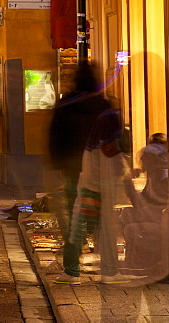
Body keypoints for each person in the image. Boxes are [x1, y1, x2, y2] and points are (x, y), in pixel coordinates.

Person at [55, 106, 128, 284]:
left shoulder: (87, 137)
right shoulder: (106, 141)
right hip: (99, 188)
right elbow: (116, 166)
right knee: (105, 228)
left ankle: (71, 272)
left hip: (82, 183)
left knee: (76, 228)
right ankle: (109, 272)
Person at [48, 62, 110, 235]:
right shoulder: (102, 105)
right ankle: (94, 235)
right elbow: (111, 136)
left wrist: (58, 162)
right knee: (96, 200)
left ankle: (77, 241)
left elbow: (56, 134)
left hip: (72, 164)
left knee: (73, 203)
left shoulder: (66, 104)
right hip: (97, 165)